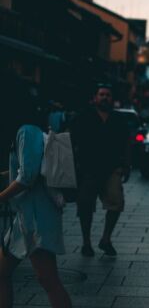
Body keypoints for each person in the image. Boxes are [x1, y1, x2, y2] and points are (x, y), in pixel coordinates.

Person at [0, 69, 72, 308]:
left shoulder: (26, 130)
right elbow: (22, 170)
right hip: (24, 218)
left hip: (36, 216)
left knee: (48, 279)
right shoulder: (22, 130)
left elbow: (27, 177)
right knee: (2, 272)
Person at [70, 84, 130, 257]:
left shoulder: (118, 119)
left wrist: (127, 165)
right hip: (88, 169)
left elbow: (126, 143)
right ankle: (86, 242)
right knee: (86, 206)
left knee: (116, 203)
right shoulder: (83, 117)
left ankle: (106, 238)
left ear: (113, 99)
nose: (105, 97)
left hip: (112, 168)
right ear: (95, 98)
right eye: (101, 94)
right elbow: (71, 142)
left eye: (108, 95)